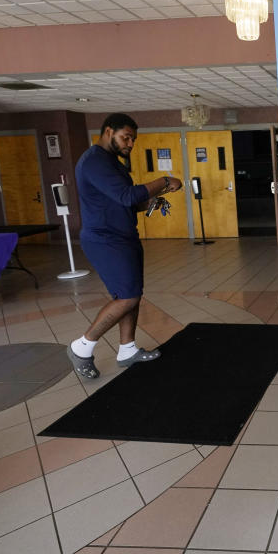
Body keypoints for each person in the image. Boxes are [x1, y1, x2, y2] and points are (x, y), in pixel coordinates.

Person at [67, 113, 182, 378]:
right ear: (108, 131)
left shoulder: (112, 163)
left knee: (130, 295)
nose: (130, 143)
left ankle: (127, 350)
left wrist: (154, 200)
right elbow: (126, 195)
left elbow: (127, 202)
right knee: (127, 296)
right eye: (126, 137)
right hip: (105, 239)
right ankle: (81, 347)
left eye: (133, 139)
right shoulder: (94, 160)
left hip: (122, 235)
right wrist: (163, 181)